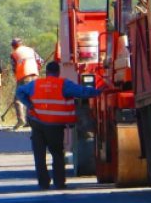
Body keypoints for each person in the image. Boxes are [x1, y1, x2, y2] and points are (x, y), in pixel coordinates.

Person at [16, 61, 100, 190]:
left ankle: (43, 183)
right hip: (54, 126)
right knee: (57, 154)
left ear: (46, 72)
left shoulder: (36, 84)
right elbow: (82, 92)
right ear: (58, 72)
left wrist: (29, 104)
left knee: (39, 154)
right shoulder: (63, 84)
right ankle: (59, 183)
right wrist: (99, 91)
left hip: (37, 123)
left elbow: (20, 92)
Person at [10, 38, 43, 129]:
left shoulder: (14, 54)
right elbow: (41, 61)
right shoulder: (30, 50)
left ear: (13, 46)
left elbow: (14, 68)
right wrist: (35, 69)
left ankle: (21, 120)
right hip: (35, 75)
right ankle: (31, 120)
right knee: (32, 98)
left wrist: (17, 76)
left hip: (23, 77)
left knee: (18, 99)